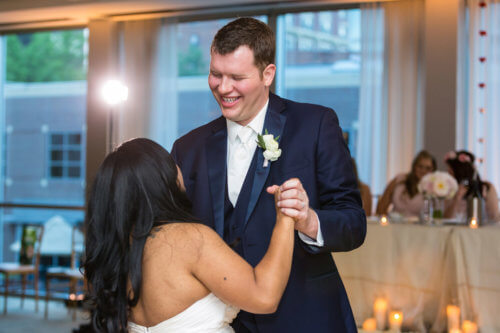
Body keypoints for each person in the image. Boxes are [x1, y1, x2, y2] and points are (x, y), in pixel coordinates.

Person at [171, 18, 366, 332]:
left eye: (237, 77)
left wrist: (309, 220)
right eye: (215, 74)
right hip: (218, 321)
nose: (223, 88)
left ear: (267, 75)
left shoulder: (315, 125)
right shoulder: (187, 148)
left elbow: (354, 224)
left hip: (304, 316)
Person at [83, 138, 296, 332]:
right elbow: (264, 296)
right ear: (161, 177)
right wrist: (286, 216)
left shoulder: (112, 254)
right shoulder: (190, 239)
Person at [443, 150, 499, 222]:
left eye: (451, 170)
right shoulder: (450, 191)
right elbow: (446, 219)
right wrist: (457, 198)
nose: (448, 173)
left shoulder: (486, 188)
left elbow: (495, 217)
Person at [376, 150, 437, 216]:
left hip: (419, 226)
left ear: (433, 170)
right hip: (394, 224)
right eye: (420, 166)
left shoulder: (435, 189)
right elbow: (382, 206)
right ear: (414, 166)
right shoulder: (399, 180)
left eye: (428, 168)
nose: (423, 171)